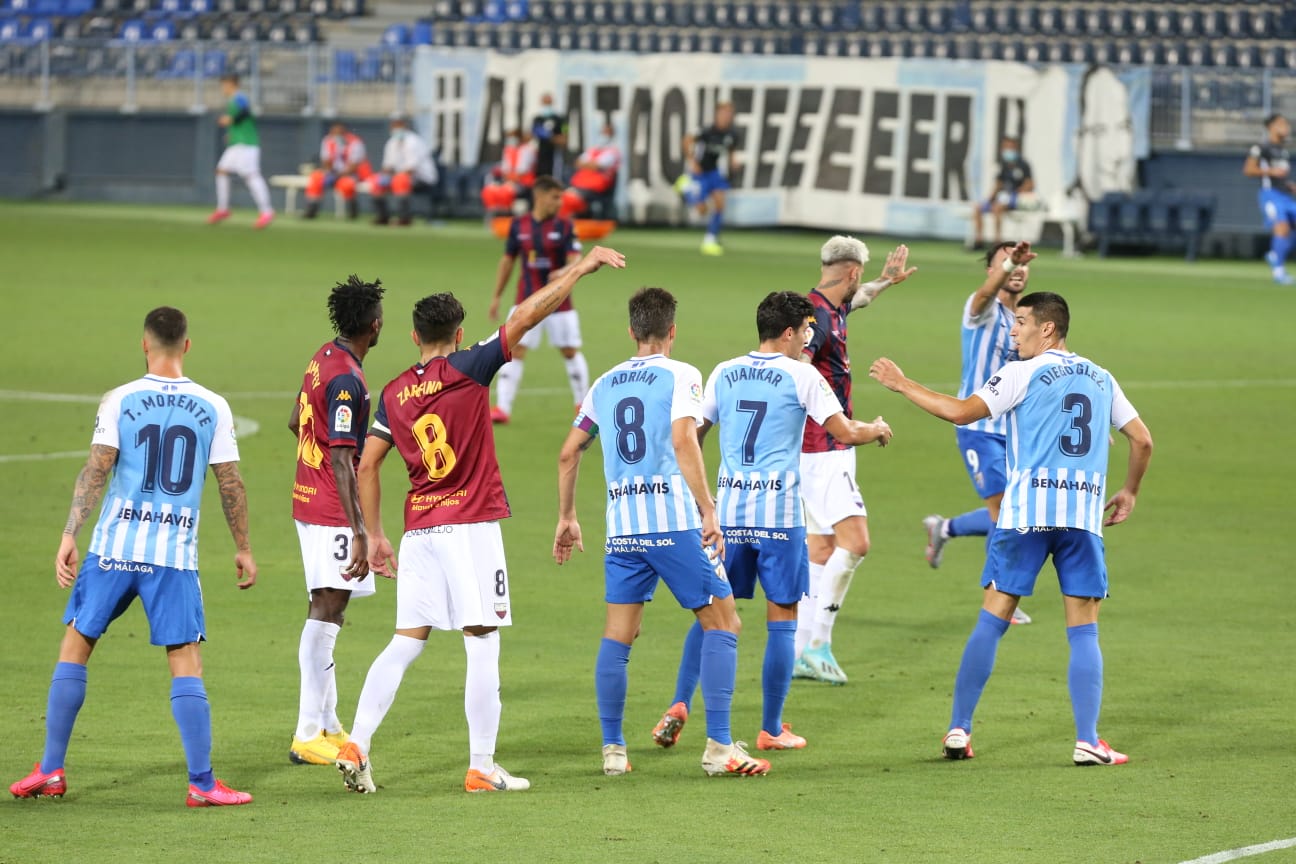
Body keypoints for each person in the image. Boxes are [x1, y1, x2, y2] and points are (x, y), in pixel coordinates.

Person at [335, 245, 627, 795]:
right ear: (460, 331)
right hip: (469, 526)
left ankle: (358, 741)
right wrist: (580, 268)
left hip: (419, 530)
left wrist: (374, 534)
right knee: (482, 639)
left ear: (414, 337)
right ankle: (481, 765)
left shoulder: (394, 392)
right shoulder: (471, 366)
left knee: (405, 640)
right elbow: (527, 314)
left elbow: (366, 463)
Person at [868, 291, 1153, 766]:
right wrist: (1130, 491)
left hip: (1023, 516)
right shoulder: (1102, 377)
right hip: (1081, 520)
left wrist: (902, 384)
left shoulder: (1021, 372)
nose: (1012, 330)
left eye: (1020, 322)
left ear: (1048, 328)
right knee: (1083, 631)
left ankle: (959, 728)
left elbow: (960, 413)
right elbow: (1142, 440)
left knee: (992, 618)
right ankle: (1088, 740)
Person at [10, 307, 257, 807]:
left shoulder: (119, 399)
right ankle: (202, 784)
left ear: (144, 345)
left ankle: (51, 769)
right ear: (187, 346)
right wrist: (244, 548)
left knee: (75, 645)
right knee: (185, 659)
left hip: (113, 549)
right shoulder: (214, 406)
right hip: (172, 556)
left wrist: (68, 532)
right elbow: (229, 481)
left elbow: (96, 471)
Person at [651, 291, 892, 755]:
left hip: (730, 517)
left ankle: (680, 703)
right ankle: (771, 728)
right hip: (780, 517)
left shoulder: (723, 371)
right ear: (788, 332)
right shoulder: (804, 375)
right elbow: (843, 431)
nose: (809, 338)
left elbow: (692, 437)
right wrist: (877, 428)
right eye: (805, 330)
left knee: (712, 614)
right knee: (782, 619)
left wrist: (701, 499)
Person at [553, 286, 772, 779]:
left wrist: (567, 516)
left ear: (631, 331)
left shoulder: (604, 383)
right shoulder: (683, 375)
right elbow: (682, 437)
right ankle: (719, 748)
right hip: (673, 526)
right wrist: (708, 508)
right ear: (672, 330)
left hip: (622, 531)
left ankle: (613, 750)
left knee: (618, 636)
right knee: (724, 623)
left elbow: (569, 452)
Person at [794, 236, 916, 685]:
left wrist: (884, 281)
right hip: (825, 448)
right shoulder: (819, 319)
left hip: (810, 449)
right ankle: (819, 644)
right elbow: (800, 366)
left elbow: (856, 301)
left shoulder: (822, 305)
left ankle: (797, 651)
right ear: (851, 271)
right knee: (856, 541)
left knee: (822, 548)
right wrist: (850, 426)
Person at [286, 276, 385, 766]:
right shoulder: (347, 378)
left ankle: (326, 721)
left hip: (309, 498)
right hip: (331, 510)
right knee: (326, 609)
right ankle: (307, 733)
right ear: (374, 325)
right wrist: (361, 529)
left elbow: (294, 421)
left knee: (330, 608)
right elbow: (345, 458)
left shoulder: (321, 357)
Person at [922, 241, 1037, 626]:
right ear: (992, 270)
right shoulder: (981, 311)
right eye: (1007, 263)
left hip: (1014, 432)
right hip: (978, 428)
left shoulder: (1024, 323)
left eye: (1022, 264)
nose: (1017, 269)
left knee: (1013, 510)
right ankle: (998, 593)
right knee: (1005, 512)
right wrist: (1008, 264)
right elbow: (987, 292)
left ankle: (944, 528)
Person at [488, 175, 587, 424]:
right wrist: (497, 296)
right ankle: (502, 408)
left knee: (569, 350)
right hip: (526, 300)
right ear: (539, 197)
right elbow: (507, 261)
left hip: (560, 302)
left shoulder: (565, 226)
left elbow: (576, 258)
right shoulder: (518, 225)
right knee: (513, 349)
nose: (559, 202)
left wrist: (564, 272)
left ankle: (582, 405)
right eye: (555, 197)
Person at [207, 73, 275, 229]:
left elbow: (244, 111)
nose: (223, 88)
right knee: (222, 171)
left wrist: (231, 120)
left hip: (246, 144)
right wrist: (232, 133)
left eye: (224, 84)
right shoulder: (232, 100)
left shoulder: (239, 97)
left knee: (251, 176)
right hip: (237, 143)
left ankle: (267, 211)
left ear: (232, 84)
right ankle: (223, 209)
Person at [675, 101, 739, 256]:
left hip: (714, 173)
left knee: (720, 205)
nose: (726, 116)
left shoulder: (732, 135)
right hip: (700, 173)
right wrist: (692, 161)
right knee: (702, 210)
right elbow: (686, 140)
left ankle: (710, 240)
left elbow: (731, 151)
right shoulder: (706, 131)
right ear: (718, 114)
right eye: (724, 113)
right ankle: (685, 188)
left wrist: (734, 161)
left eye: (729, 114)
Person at [1242, 113, 1296, 285]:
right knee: (1282, 227)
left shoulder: (1283, 151)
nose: (1286, 128)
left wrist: (1290, 186)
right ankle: (1278, 272)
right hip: (1270, 194)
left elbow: (1280, 175)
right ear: (1271, 127)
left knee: (1290, 230)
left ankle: (1274, 254)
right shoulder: (1260, 148)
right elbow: (1249, 170)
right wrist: (1270, 172)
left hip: (1285, 195)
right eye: (1281, 124)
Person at [369, 116, 437, 227]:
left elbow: (411, 168)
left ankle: (404, 218)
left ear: (405, 127)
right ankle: (383, 217)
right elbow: (387, 166)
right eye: (394, 127)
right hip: (400, 177)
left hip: (422, 178)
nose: (396, 130)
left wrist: (394, 178)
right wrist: (384, 177)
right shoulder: (391, 143)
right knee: (376, 181)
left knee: (401, 180)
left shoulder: (414, 141)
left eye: (398, 126)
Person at [970, 136, 1033, 249]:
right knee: (978, 208)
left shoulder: (1023, 164)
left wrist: (1017, 192)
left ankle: (997, 241)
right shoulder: (1003, 165)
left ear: (1015, 147)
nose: (1007, 149)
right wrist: (989, 198)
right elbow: (998, 184)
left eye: (1010, 146)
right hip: (1002, 196)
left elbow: (1030, 184)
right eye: (1005, 147)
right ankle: (979, 241)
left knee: (998, 208)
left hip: (1015, 197)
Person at [304, 123, 373, 221]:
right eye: (334, 131)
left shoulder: (355, 142)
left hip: (349, 174)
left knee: (347, 185)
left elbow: (354, 166)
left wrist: (337, 175)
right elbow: (326, 160)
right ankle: (311, 210)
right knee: (316, 178)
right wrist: (329, 171)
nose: (336, 134)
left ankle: (352, 212)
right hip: (333, 173)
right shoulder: (328, 141)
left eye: (339, 131)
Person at [559, 122, 621, 219]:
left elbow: (597, 166)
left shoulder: (613, 151)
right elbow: (578, 163)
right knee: (563, 196)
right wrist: (591, 165)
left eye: (607, 132)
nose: (604, 134)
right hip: (579, 183)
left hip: (596, 188)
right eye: (603, 131)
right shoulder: (593, 150)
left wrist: (588, 165)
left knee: (572, 197)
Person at [480, 128, 538, 215]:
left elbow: (522, 171)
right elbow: (504, 169)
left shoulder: (528, 150)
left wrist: (510, 179)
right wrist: (506, 179)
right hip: (509, 181)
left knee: (506, 191)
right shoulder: (508, 150)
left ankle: (506, 216)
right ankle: (493, 216)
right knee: (489, 190)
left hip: (524, 184)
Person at [531, 92, 569, 181]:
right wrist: (552, 137)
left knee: (556, 173)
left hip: (555, 151)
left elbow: (565, 130)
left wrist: (564, 137)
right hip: (542, 151)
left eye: (549, 102)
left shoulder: (560, 118)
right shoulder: (537, 118)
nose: (547, 104)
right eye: (545, 102)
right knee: (541, 173)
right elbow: (536, 131)